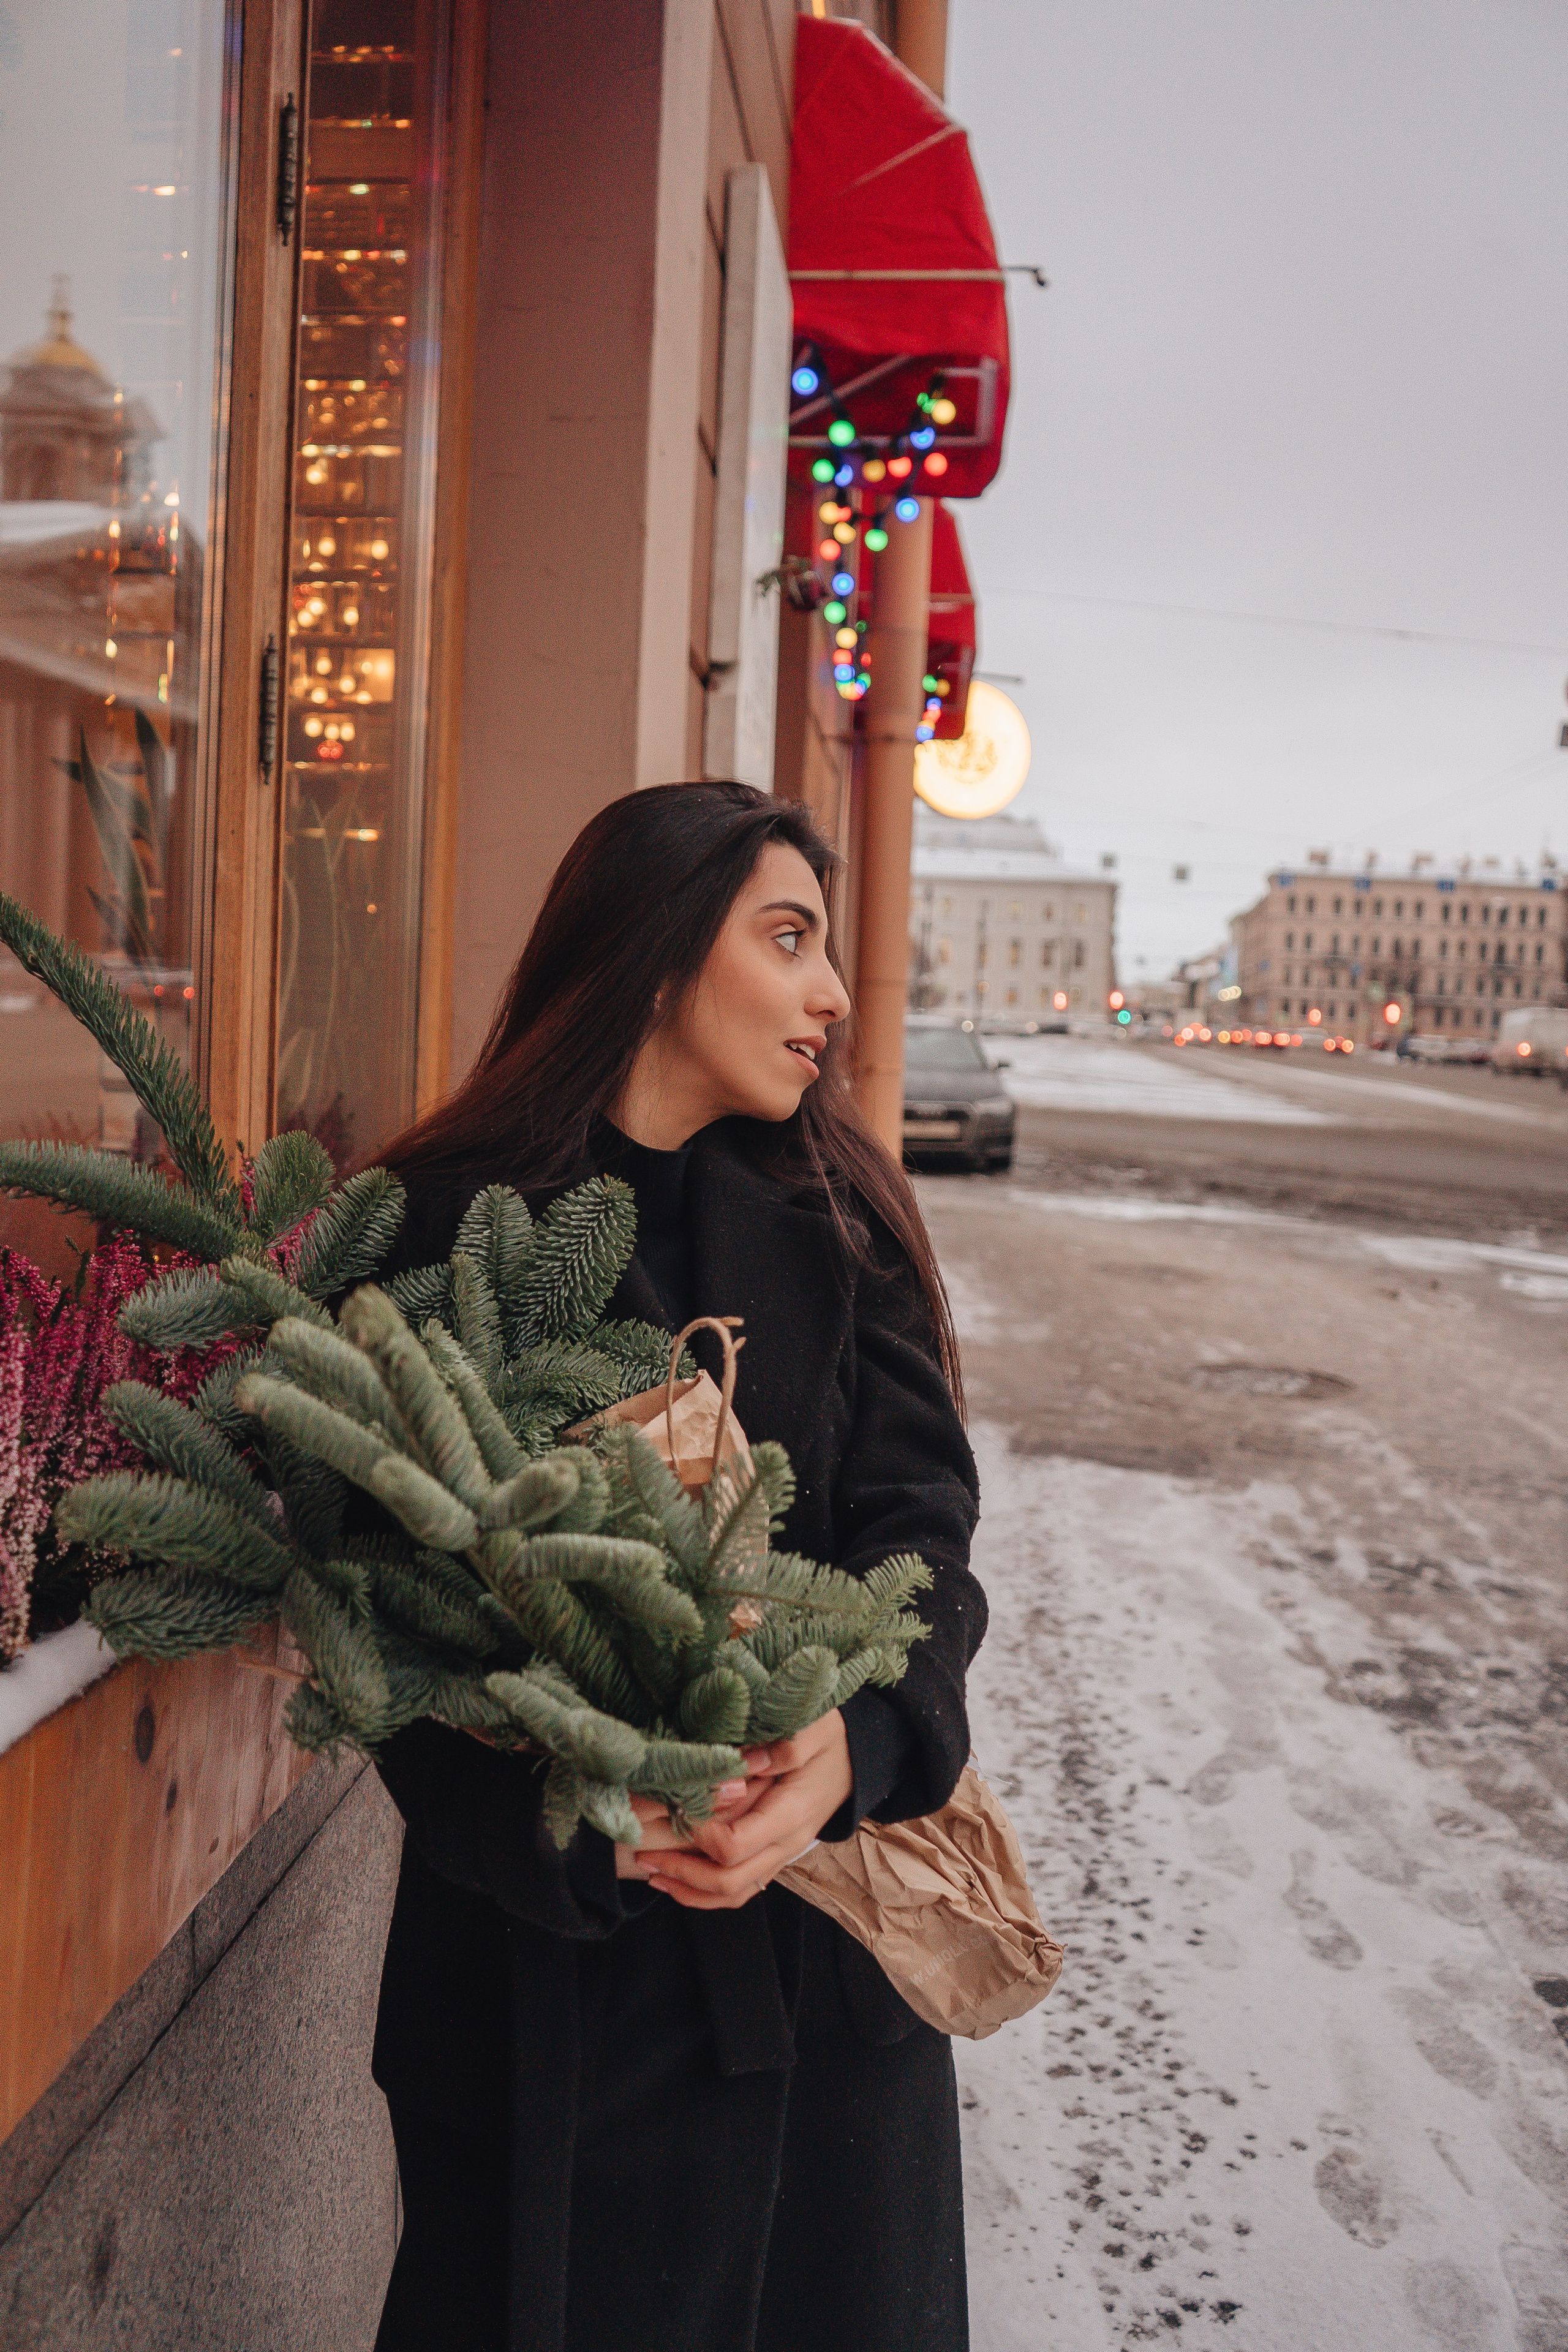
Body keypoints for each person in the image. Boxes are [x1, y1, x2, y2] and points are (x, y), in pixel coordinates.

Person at [366, 782, 986, 2352]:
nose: (833, 995)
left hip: (820, 1968)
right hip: (542, 1992)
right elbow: (373, 1612)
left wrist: (857, 1742)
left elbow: (922, 1528)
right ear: (653, 955)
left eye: (827, 949)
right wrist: (572, 1821)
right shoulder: (441, 1232)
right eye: (788, 940)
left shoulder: (836, 1216)